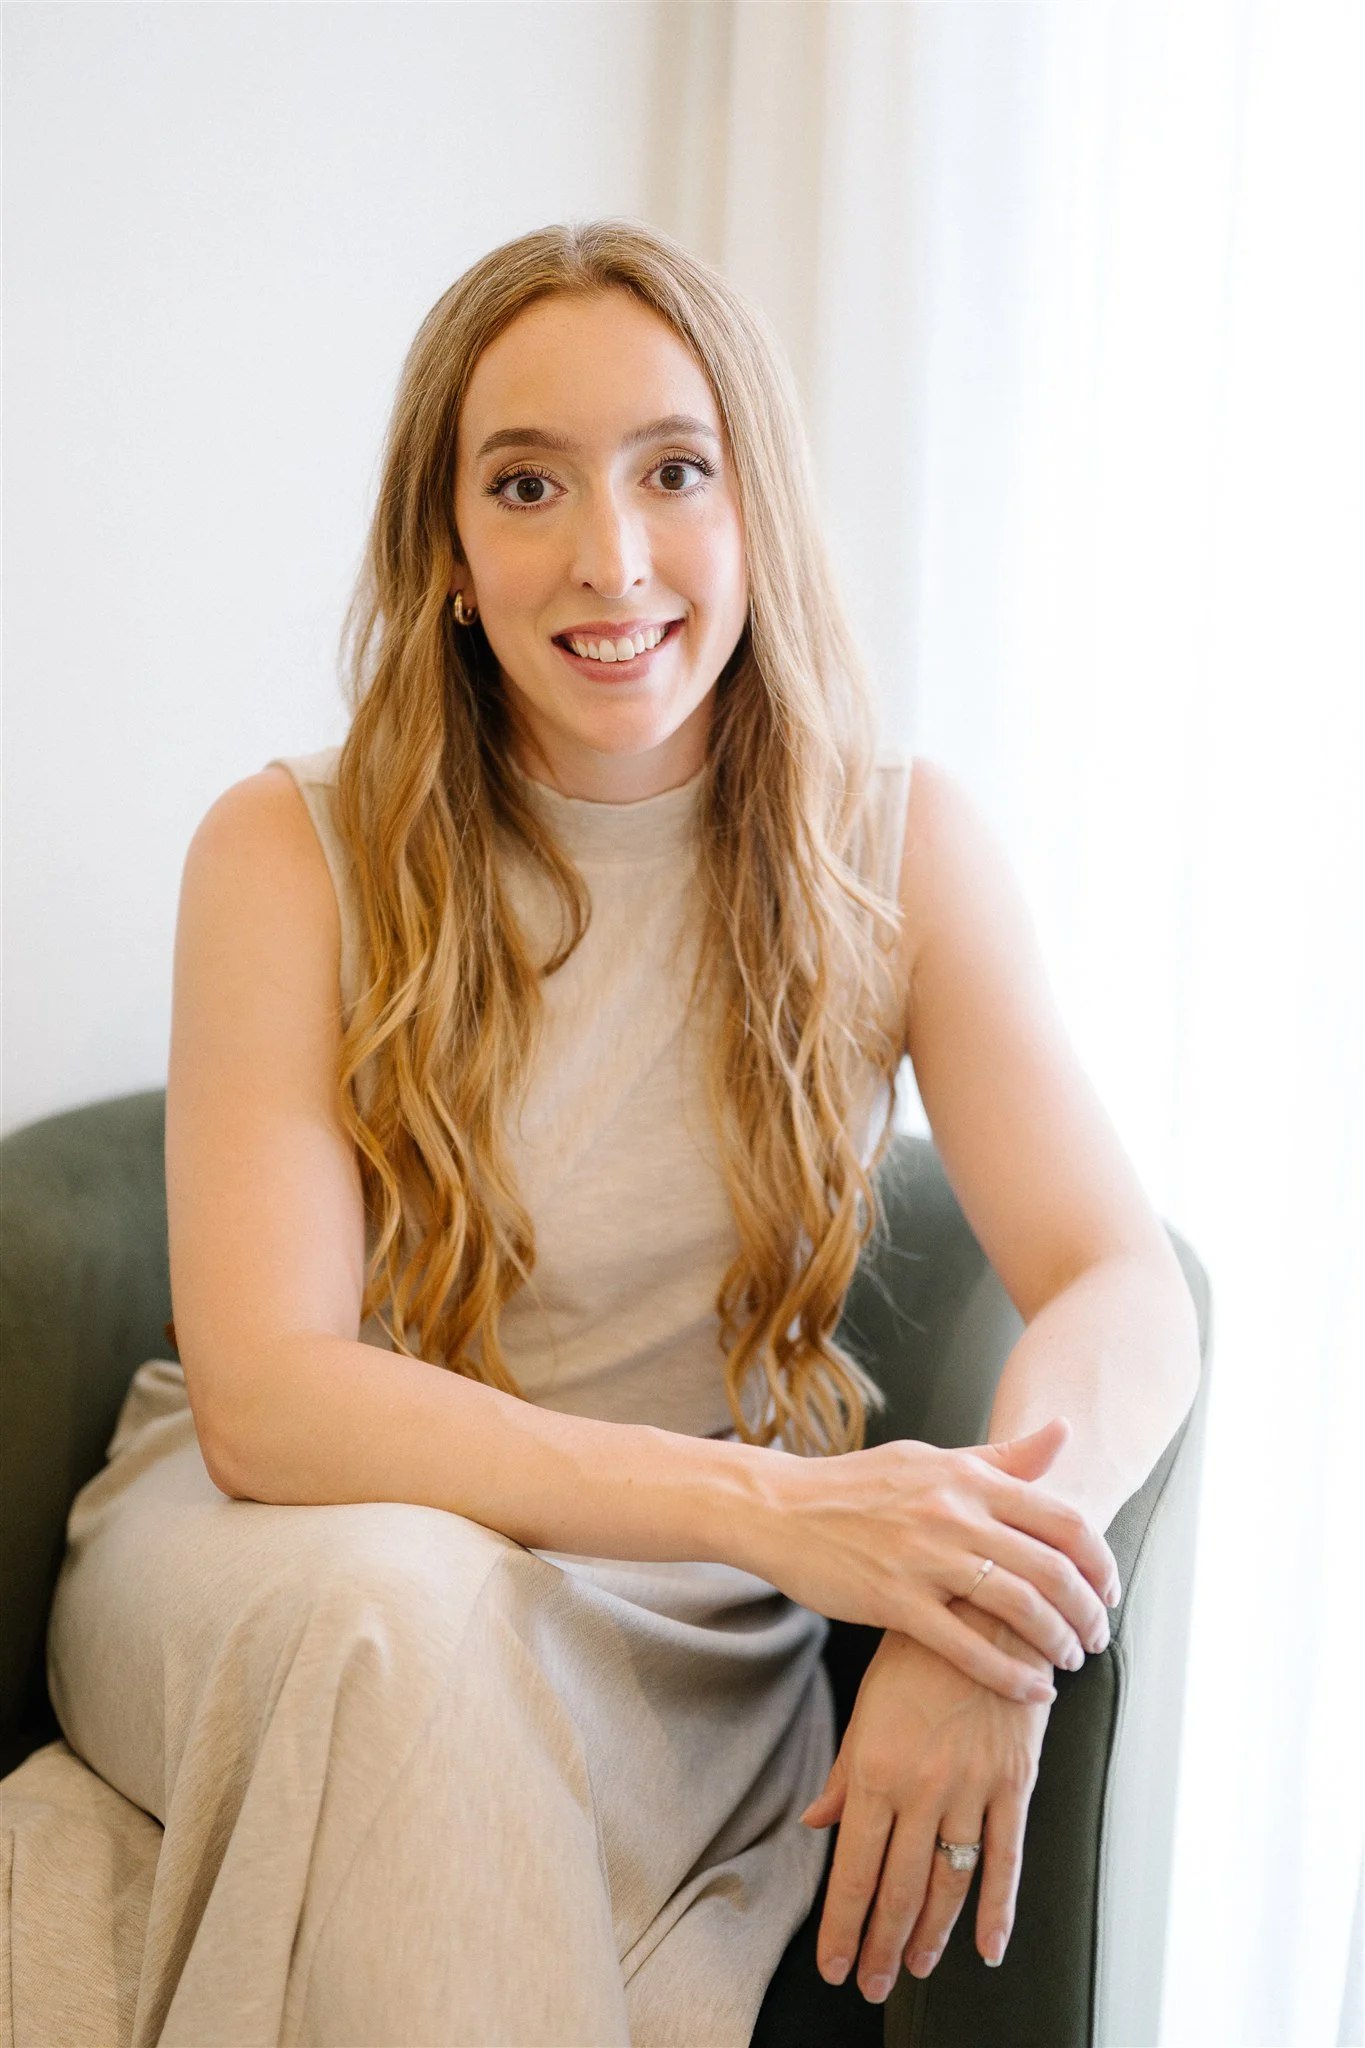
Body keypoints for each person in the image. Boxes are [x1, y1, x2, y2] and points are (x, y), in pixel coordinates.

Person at [43, 218, 1201, 2047]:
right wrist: (796, 1513)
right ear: (447, 551)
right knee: (402, 1608)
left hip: (669, 1622)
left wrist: (987, 1604)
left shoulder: (896, 848)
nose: (613, 558)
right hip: (279, 1558)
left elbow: (1120, 1278)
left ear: (759, 512)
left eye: (677, 470)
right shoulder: (285, 849)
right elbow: (270, 1404)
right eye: (526, 484)